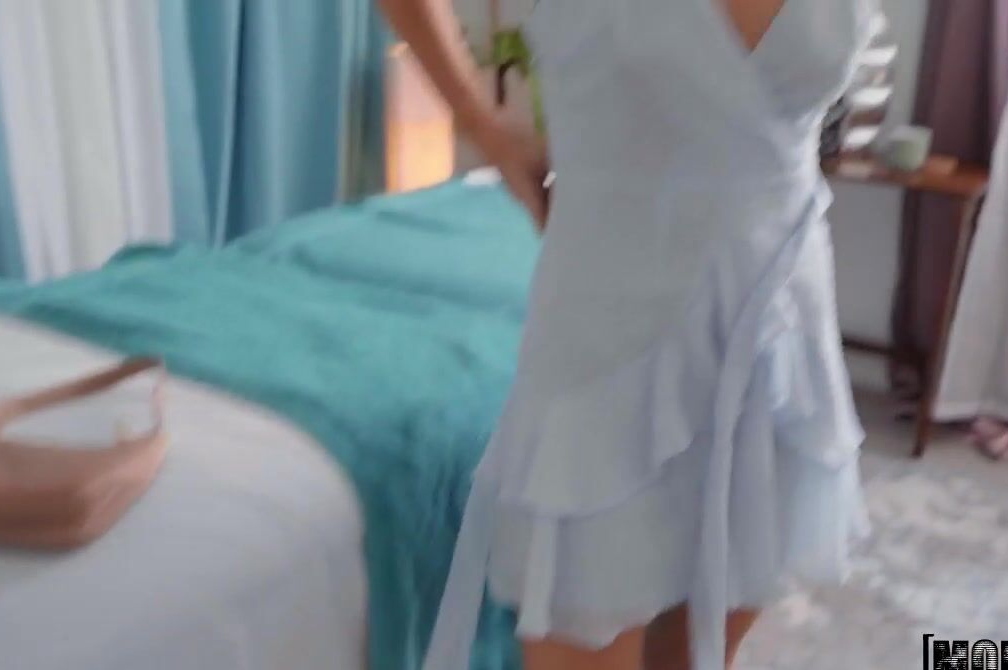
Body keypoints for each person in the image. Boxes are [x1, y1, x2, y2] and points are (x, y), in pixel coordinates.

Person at [377, 0, 880, 668]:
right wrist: (484, 125)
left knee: (702, 648)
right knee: (584, 629)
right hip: (607, 340)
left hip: (777, 334)